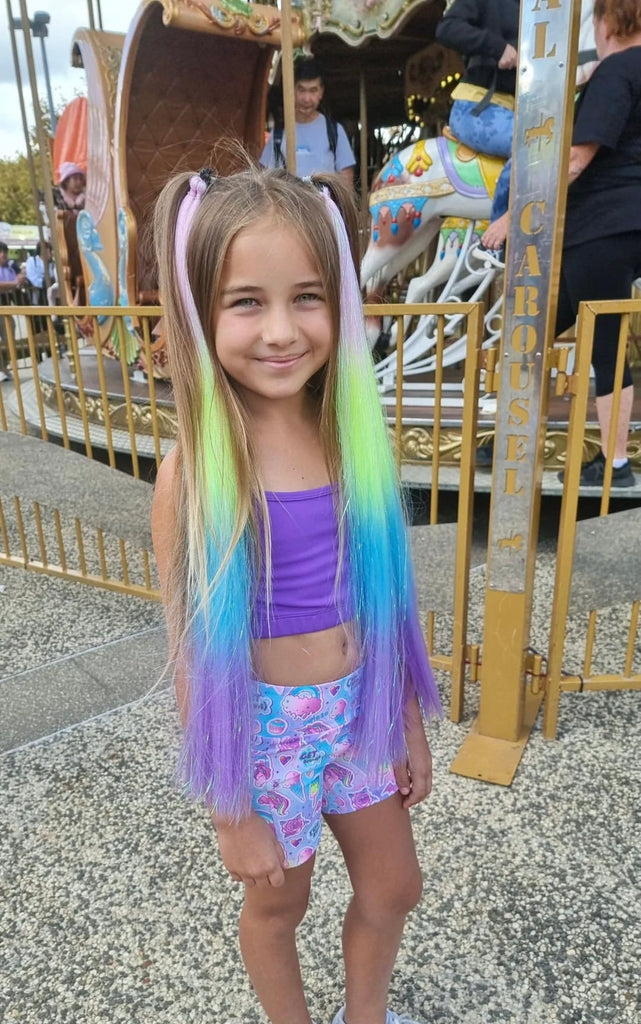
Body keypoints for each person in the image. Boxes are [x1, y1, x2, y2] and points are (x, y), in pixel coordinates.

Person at [151, 164, 441, 1024]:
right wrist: (229, 806)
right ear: (201, 312)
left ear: (341, 303)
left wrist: (407, 721)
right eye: (246, 302)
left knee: (395, 888)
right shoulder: (196, 476)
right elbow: (191, 649)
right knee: (279, 905)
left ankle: (366, 1016)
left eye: (306, 297)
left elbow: (382, 602)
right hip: (264, 733)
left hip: (361, 716)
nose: (280, 330)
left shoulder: (353, 441)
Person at [436, 0, 520, 259]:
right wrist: (497, 48)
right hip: (479, 105)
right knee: (529, 144)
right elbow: (447, 28)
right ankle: (497, 245)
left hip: (521, 108)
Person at [261, 58, 356, 186]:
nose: (306, 99)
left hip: (323, 205)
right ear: (292, 90)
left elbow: (346, 182)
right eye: (301, 90)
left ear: (321, 92)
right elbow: (264, 177)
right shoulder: (278, 134)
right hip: (288, 205)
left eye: (313, 91)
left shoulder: (334, 131)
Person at [0, 241, 26, 381]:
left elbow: (19, 280)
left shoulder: (11, 266)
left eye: (4, 251)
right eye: (0, 252)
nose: (3, 254)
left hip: (6, 308)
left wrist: (19, 278)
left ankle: (4, 367)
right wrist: (13, 284)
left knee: (9, 338)